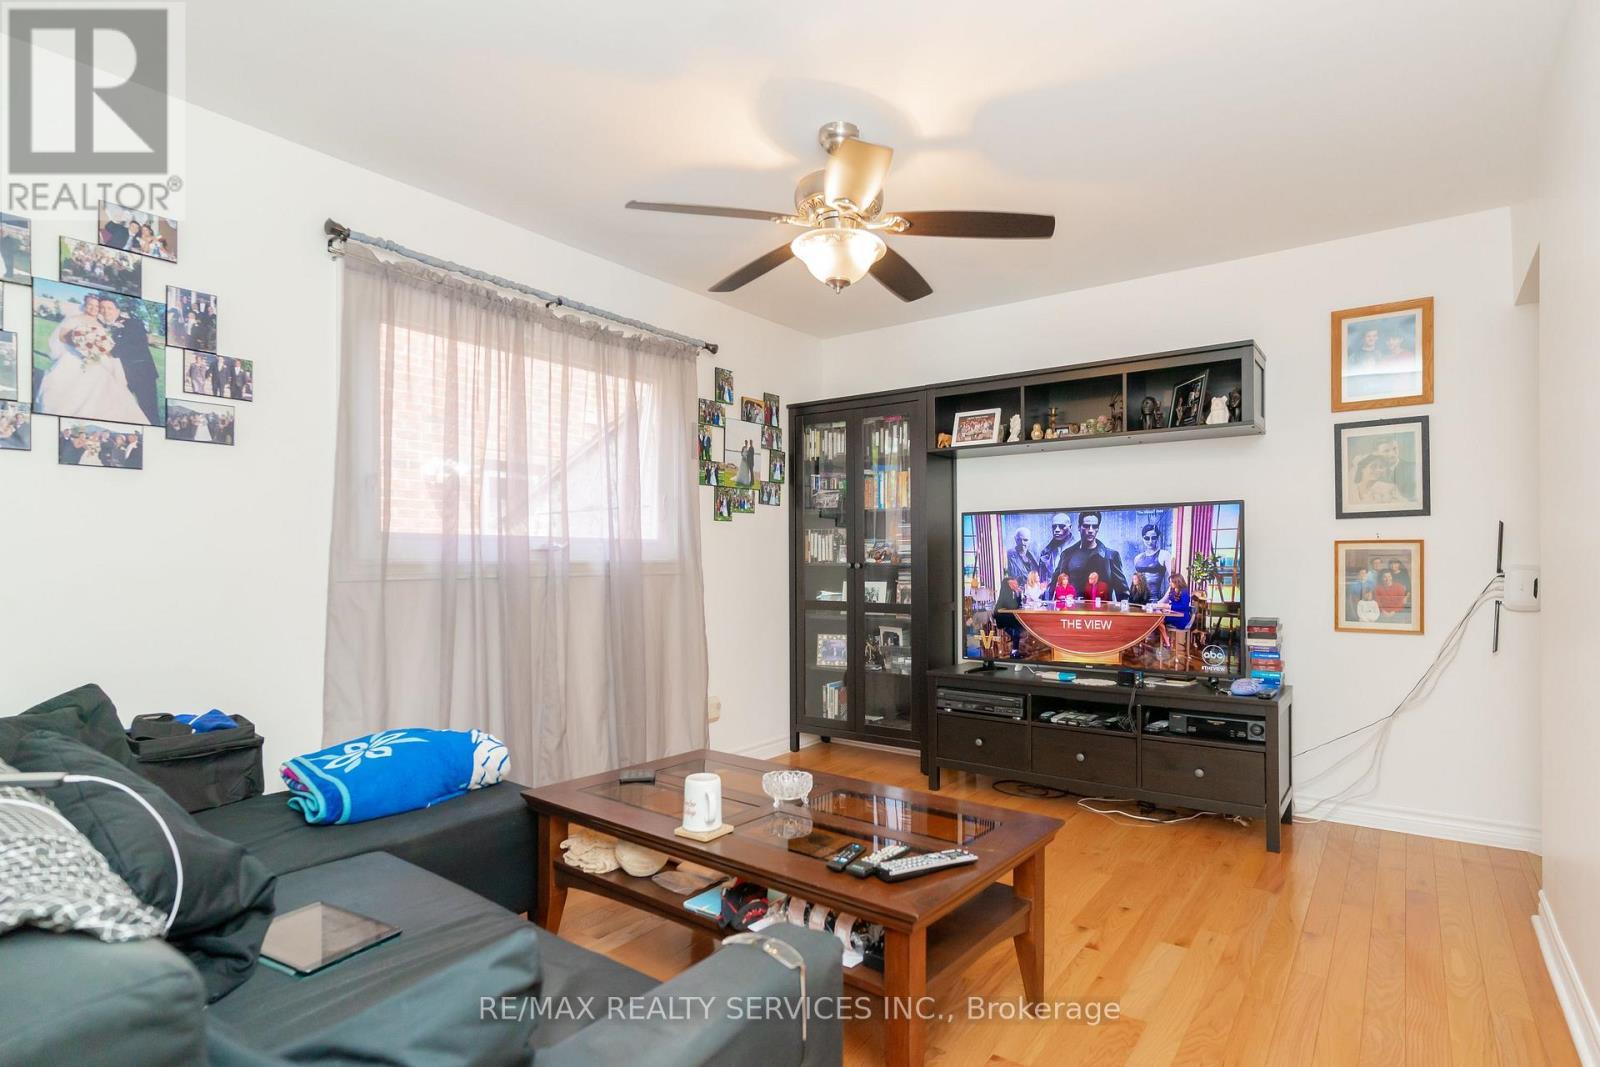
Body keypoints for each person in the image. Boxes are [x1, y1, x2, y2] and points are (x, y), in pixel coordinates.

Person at [35, 295, 149, 426]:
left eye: (96, 306)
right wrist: (82, 346)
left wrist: (95, 349)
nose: (93, 308)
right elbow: (62, 337)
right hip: (74, 357)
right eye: (90, 305)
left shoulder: (101, 323)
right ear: (85, 305)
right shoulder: (74, 319)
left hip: (97, 360)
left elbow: (105, 343)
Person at [97, 295, 161, 424]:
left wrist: (110, 352)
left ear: (117, 310)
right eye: (102, 308)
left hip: (141, 374)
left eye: (109, 308)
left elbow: (135, 344)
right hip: (116, 374)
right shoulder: (100, 327)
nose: (105, 311)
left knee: (148, 411)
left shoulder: (133, 323)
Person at [1053, 510, 1128, 599]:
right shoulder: (1067, 554)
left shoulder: (1111, 556)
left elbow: (1123, 593)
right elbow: (1055, 585)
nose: (1091, 530)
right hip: (1073, 610)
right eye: (1086, 526)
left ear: (1098, 528)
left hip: (1101, 611)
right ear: (1079, 527)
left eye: (1094, 526)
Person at [1132, 524, 1171, 598]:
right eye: (1147, 538)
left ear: (1157, 538)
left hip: (1155, 601)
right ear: (1142, 538)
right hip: (1138, 601)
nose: (1150, 541)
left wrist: (1161, 602)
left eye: (1153, 538)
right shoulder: (1137, 558)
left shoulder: (1164, 555)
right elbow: (1135, 583)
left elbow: (1173, 582)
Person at [1037, 513, 1072, 582]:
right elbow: (1042, 580)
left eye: (1061, 526)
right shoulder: (1045, 553)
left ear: (1070, 527)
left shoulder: (1079, 548)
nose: (1057, 530)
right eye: (1054, 527)